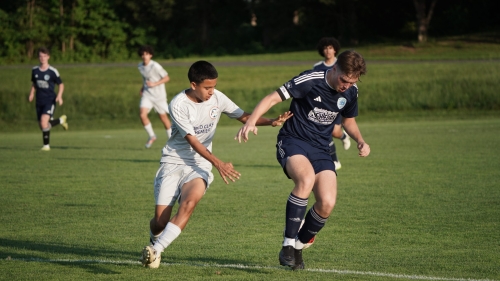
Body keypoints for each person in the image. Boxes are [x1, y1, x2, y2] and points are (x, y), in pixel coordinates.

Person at [141, 60, 292, 268]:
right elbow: (192, 141)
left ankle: (156, 250)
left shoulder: (218, 98)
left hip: (199, 164)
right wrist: (219, 163)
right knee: (160, 222)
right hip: (173, 162)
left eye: (214, 86)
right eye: (207, 87)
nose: (212, 92)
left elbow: (243, 116)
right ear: (194, 85)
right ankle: (153, 240)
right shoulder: (178, 105)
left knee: (189, 203)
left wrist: (271, 121)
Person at [235, 50, 371, 270]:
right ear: (334, 68)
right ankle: (287, 244)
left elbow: (349, 121)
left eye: (351, 82)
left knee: (327, 203)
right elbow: (272, 97)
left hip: (321, 149)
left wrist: (360, 140)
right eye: (344, 80)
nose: (346, 85)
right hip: (293, 141)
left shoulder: (351, 92)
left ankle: (298, 246)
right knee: (305, 180)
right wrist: (251, 121)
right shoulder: (310, 80)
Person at [313, 37, 351, 169]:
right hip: (322, 104)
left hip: (338, 103)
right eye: (325, 48)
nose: (328, 51)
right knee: (325, 130)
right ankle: (335, 161)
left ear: (335, 49)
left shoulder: (341, 65)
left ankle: (343, 136)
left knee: (334, 132)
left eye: (330, 48)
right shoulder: (317, 67)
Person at [28, 47, 68, 151]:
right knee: (43, 126)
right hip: (39, 101)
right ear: (38, 57)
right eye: (40, 56)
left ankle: (46, 146)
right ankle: (60, 120)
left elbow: (61, 84)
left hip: (50, 100)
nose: (42, 58)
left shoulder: (52, 71)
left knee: (44, 121)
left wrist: (59, 96)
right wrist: (31, 93)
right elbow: (34, 83)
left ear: (48, 57)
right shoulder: (35, 70)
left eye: (44, 56)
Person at [137, 45, 172, 148]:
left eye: (146, 54)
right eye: (142, 54)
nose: (144, 56)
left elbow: (166, 78)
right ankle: (152, 136)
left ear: (150, 55)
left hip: (159, 96)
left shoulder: (155, 66)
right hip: (147, 95)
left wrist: (155, 84)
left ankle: (171, 141)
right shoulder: (140, 66)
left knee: (163, 118)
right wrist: (143, 88)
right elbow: (145, 79)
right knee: (142, 115)